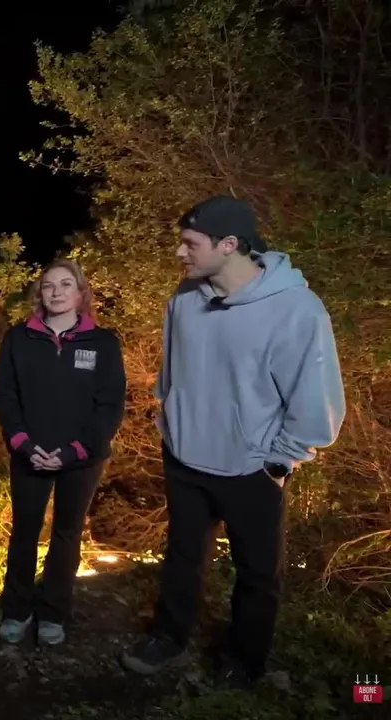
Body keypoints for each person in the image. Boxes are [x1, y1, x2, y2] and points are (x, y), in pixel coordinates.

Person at [120, 195, 345, 686]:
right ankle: (168, 637)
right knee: (182, 557)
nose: (179, 253)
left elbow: (315, 399)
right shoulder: (184, 298)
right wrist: (169, 424)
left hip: (252, 466)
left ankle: (245, 662)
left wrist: (280, 461)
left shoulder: (296, 310)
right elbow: (171, 373)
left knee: (257, 572)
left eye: (190, 243)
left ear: (228, 244)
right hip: (184, 458)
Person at [0, 259, 126, 646]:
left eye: (66, 284)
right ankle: (17, 609)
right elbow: (6, 395)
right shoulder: (19, 338)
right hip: (29, 454)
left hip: (81, 458)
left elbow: (110, 405)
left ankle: (53, 612)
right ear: (40, 294)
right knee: (24, 532)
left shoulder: (103, 343)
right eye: (49, 285)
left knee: (67, 534)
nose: (56, 292)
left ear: (81, 293)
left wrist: (75, 451)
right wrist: (22, 443)